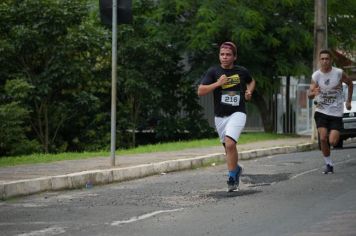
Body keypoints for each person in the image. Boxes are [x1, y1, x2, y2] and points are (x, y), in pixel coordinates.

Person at [197, 42, 256, 192]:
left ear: (234, 57)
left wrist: (249, 92)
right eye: (222, 54)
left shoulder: (241, 71)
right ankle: (236, 169)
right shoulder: (214, 71)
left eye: (228, 54)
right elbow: (201, 91)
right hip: (220, 116)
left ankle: (231, 178)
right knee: (228, 148)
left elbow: (251, 81)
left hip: (238, 112)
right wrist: (218, 83)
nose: (224, 57)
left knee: (230, 144)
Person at [308, 49, 353, 174]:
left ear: (330, 60)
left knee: (332, 141)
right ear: (319, 60)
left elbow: (350, 83)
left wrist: (348, 101)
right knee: (322, 138)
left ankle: (329, 142)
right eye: (322, 59)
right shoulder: (316, 76)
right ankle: (328, 164)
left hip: (336, 112)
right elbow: (309, 94)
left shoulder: (338, 73)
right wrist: (313, 93)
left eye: (327, 59)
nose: (324, 61)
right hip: (321, 111)